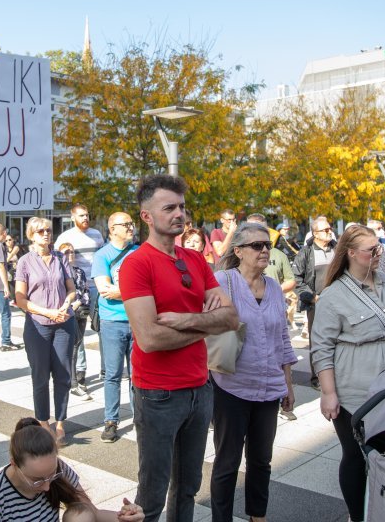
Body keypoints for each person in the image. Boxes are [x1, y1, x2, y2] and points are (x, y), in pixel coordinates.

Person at [119, 174, 239, 522]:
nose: (179, 214)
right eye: (169, 207)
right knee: (152, 493)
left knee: (188, 487)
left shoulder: (197, 260)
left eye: (182, 207)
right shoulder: (137, 264)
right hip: (158, 393)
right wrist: (205, 322)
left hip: (200, 388)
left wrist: (184, 321)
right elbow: (150, 338)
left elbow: (231, 318)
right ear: (147, 217)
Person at [311, 224, 385, 522]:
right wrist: (328, 394)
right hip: (354, 390)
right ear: (351, 253)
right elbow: (321, 349)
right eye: (371, 249)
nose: (379, 254)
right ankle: (358, 516)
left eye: (379, 247)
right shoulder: (334, 295)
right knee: (356, 456)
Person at [210, 223, 297, 522]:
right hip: (230, 385)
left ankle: (257, 516)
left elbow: (283, 337)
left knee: (261, 460)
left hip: (269, 385)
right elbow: (203, 323)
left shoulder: (273, 285)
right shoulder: (222, 280)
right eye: (256, 245)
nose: (264, 250)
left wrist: (288, 383)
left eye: (267, 245)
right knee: (227, 461)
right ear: (238, 251)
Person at [0, 417, 144, 522]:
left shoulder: (58, 469)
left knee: (80, 514)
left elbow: (93, 513)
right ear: (14, 463)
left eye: (51, 476)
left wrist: (125, 518)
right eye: (36, 480)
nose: (46, 487)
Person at [15, 217, 78, 444]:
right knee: (40, 376)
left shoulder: (61, 258)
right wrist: (46, 312)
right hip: (38, 326)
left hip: (64, 323)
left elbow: (71, 289)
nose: (46, 234)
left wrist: (66, 303)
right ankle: (43, 422)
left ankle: (60, 422)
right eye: (40, 231)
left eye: (49, 230)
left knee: (63, 375)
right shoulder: (24, 261)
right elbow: (20, 299)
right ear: (31, 235)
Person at [91, 212, 139, 443]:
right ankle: (111, 421)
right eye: (126, 224)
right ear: (112, 229)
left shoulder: (139, 252)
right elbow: (104, 289)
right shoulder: (102, 256)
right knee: (112, 374)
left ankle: (140, 417)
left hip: (138, 319)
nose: (131, 227)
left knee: (137, 374)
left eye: (131, 223)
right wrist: (135, 290)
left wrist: (123, 290)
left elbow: (150, 284)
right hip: (112, 322)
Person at [56, 204, 105, 382]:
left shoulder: (97, 234)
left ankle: (105, 369)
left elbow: (103, 256)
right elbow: (58, 261)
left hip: (97, 286)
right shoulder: (65, 237)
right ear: (73, 217)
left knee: (102, 327)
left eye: (87, 215)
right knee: (79, 330)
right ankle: (80, 370)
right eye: (81, 215)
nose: (85, 218)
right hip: (76, 288)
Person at [292, 215, 337, 389]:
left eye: (330, 228)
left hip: (338, 303)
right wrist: (312, 297)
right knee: (318, 342)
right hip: (316, 305)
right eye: (325, 230)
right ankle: (317, 379)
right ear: (315, 233)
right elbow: (297, 278)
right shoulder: (306, 252)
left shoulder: (337, 249)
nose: (329, 232)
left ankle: (337, 377)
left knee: (339, 341)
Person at [57, 242, 92, 401]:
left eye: (72, 251)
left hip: (80, 313)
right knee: (71, 348)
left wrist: (79, 302)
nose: (70, 254)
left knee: (77, 345)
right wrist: (70, 304)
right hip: (67, 313)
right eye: (66, 251)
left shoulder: (79, 271)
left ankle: (75, 378)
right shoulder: (58, 272)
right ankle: (73, 383)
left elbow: (85, 290)